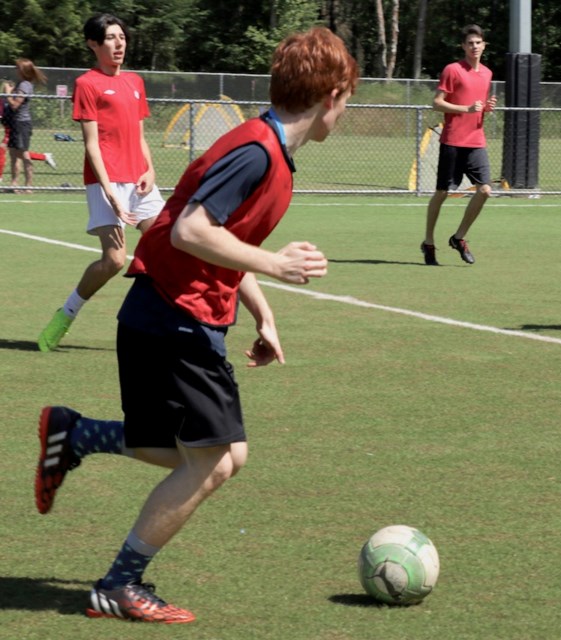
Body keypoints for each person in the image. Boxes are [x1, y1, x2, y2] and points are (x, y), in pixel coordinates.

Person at [34, 26, 358, 622]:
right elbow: (191, 231)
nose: (346, 111)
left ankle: (77, 436)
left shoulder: (266, 148)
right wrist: (276, 263)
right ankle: (119, 585)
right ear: (333, 94)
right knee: (214, 461)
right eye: (349, 100)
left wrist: (263, 312)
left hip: (167, 316)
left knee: (213, 456)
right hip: (172, 320)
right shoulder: (257, 151)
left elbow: (222, 241)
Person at [37, 14, 165, 352]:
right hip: (104, 182)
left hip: (140, 181)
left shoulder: (136, 82)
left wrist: (151, 171)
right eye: (110, 37)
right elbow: (92, 144)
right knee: (114, 260)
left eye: (122, 36)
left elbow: (140, 136)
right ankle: (66, 313)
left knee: (167, 245)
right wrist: (109, 191)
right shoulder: (87, 84)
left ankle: (159, 323)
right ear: (93, 43)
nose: (119, 43)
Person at [420, 24, 497, 266]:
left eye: (478, 42)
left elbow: (478, 107)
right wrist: (466, 109)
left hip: (476, 142)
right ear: (463, 47)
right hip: (453, 141)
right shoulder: (452, 70)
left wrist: (486, 108)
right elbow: (436, 103)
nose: (474, 47)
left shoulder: (487, 73)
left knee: (485, 190)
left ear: (484, 45)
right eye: (470, 43)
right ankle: (429, 242)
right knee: (442, 193)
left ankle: (459, 237)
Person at [3, 58, 49, 191]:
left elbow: (15, 105)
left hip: (21, 124)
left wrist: (7, 92)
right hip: (14, 123)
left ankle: (28, 186)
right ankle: (14, 184)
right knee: (13, 154)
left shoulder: (24, 85)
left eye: (17, 68)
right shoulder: (21, 84)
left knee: (23, 154)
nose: (16, 70)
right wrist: (11, 91)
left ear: (23, 70)